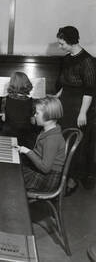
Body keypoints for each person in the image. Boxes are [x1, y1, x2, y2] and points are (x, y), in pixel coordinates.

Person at [55, 26, 96, 190]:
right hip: (65, 103)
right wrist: (56, 97)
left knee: (73, 142)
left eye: (62, 43)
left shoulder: (88, 61)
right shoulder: (67, 58)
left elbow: (89, 90)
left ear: (71, 42)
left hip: (79, 106)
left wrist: (82, 113)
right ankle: (59, 177)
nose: (60, 47)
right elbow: (65, 84)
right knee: (62, 140)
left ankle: (71, 181)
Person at [16, 97, 65, 192]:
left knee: (14, 178)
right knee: (15, 169)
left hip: (48, 178)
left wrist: (27, 151)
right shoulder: (47, 131)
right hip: (41, 171)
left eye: (37, 113)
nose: (34, 115)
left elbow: (45, 168)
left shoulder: (52, 139)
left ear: (48, 116)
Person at [0, 71, 35, 147]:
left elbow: (3, 119)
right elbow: (33, 121)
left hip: (8, 135)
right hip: (24, 138)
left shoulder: (5, 99)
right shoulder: (31, 101)